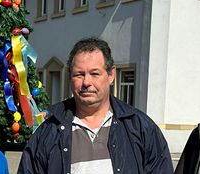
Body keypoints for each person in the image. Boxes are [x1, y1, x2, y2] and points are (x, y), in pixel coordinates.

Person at [19, 37, 173, 174]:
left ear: (111, 75)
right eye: (79, 74)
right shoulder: (48, 131)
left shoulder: (140, 127)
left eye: (94, 74)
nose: (86, 82)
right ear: (70, 78)